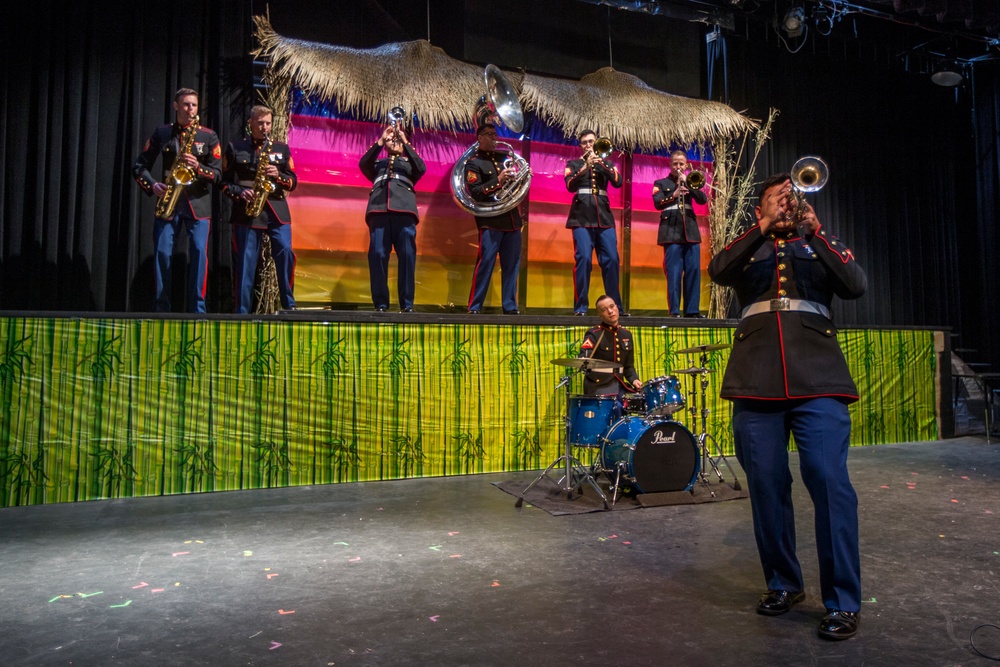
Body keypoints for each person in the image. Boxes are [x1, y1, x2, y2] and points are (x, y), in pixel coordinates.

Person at [707, 173, 867, 640]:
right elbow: (717, 269)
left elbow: (855, 285)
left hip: (818, 378)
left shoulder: (815, 242)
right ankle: (783, 583)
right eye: (776, 199)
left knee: (830, 482)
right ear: (760, 211)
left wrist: (815, 232)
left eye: (790, 197)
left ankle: (842, 600)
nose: (785, 202)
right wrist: (762, 229)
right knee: (765, 486)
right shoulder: (748, 245)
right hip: (756, 380)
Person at [133, 87, 222, 313]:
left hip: (198, 204)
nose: (190, 109)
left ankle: (197, 311)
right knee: (162, 253)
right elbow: (138, 167)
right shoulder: (162, 133)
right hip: (169, 203)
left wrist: (198, 167)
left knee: (199, 254)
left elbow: (218, 174)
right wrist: (153, 185)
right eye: (185, 104)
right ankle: (162, 309)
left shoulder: (208, 135)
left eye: (193, 105)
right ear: (176, 106)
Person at [221, 105, 298, 313]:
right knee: (246, 262)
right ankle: (242, 311)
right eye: (261, 123)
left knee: (285, 251)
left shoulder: (281, 148)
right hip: (248, 209)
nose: (265, 127)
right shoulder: (235, 147)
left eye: (268, 123)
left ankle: (289, 305)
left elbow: (293, 181)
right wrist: (239, 193)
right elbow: (224, 183)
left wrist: (279, 176)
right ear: (251, 123)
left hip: (276, 209)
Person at [359, 120, 427, 312]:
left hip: (404, 212)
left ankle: (407, 305)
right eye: (392, 139)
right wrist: (381, 141)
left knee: (407, 257)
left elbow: (421, 168)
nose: (394, 140)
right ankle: (381, 304)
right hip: (379, 211)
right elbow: (363, 164)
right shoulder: (378, 163)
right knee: (378, 255)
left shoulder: (409, 163)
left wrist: (405, 142)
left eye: (397, 138)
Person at [464, 122, 523, 315]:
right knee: (485, 263)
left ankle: (510, 306)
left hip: (512, 220)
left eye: (494, 134)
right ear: (479, 138)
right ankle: (475, 306)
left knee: (512, 267)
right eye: (489, 134)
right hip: (490, 220)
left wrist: (522, 177)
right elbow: (476, 192)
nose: (494, 138)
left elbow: (515, 185)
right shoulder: (474, 163)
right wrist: (499, 180)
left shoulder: (504, 157)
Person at [564, 130, 624, 316]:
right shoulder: (573, 164)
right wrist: (584, 167)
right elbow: (569, 185)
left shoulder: (606, 163)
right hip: (581, 218)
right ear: (580, 145)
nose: (588, 145)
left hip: (604, 219)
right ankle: (581, 307)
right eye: (584, 142)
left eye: (591, 141)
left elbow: (618, 182)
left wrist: (602, 164)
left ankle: (616, 308)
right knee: (583, 259)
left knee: (612, 260)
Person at [652, 151, 709, 317]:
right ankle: (675, 311)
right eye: (675, 164)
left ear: (686, 166)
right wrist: (673, 195)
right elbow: (657, 203)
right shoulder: (661, 183)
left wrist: (689, 185)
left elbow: (702, 200)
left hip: (690, 232)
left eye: (681, 164)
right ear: (670, 165)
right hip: (671, 232)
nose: (678, 167)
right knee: (674, 273)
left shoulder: (691, 181)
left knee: (693, 272)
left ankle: (692, 311)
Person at [580, 294, 642, 396]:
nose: (610, 311)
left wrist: (634, 380)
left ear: (617, 307)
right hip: (599, 387)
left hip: (619, 385)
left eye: (612, 306)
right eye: (604, 309)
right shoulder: (594, 334)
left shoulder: (626, 334)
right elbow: (584, 360)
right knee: (617, 406)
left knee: (642, 402)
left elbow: (628, 366)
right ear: (599, 315)